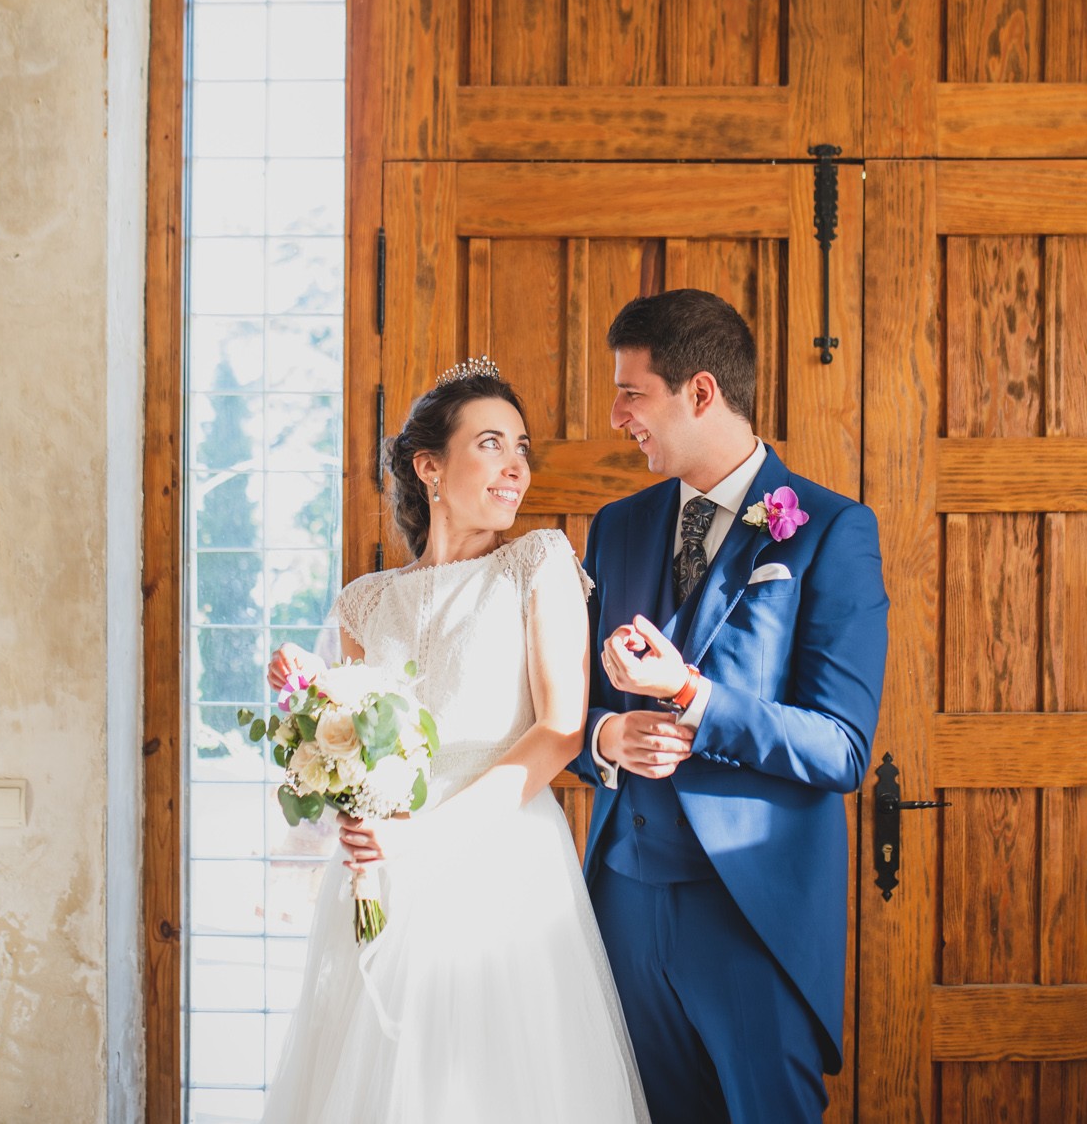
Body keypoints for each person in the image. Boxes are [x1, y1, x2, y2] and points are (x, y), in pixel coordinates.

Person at [260, 360, 650, 1124]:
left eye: (522, 448)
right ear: (429, 465)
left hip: (502, 861)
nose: (516, 466)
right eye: (493, 443)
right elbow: (351, 744)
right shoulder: (365, 601)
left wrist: (424, 834)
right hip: (380, 870)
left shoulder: (540, 563)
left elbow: (562, 729)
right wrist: (307, 694)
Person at [576, 289, 890, 1124]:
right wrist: (608, 734)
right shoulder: (616, 528)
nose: (616, 415)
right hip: (622, 903)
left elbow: (842, 746)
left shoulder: (829, 530)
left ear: (702, 392)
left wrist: (690, 694)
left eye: (631, 392)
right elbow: (562, 711)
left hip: (752, 912)